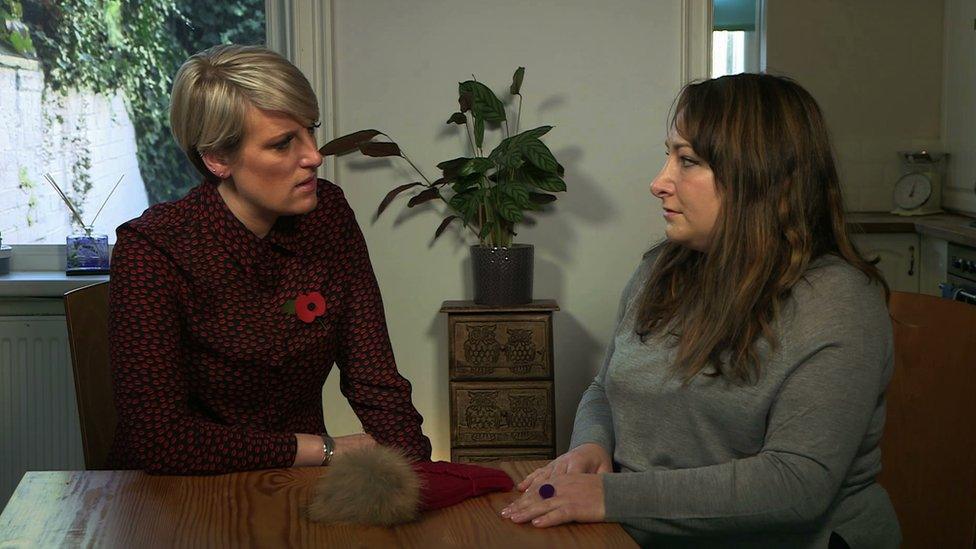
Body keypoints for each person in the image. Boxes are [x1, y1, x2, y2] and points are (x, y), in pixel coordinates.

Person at [501, 73, 901, 548]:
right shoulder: (660, 270)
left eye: (687, 161)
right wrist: (591, 445)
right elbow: (605, 388)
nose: (658, 182)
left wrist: (610, 496)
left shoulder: (837, 303)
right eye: (669, 155)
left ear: (768, 177)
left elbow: (796, 485)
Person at [107, 44, 431, 474]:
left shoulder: (327, 215)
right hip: (175, 495)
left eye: (310, 130)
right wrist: (324, 450)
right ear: (218, 159)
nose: (314, 155)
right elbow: (160, 441)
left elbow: (376, 381)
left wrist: (424, 478)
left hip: (294, 487)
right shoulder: (152, 251)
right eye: (283, 144)